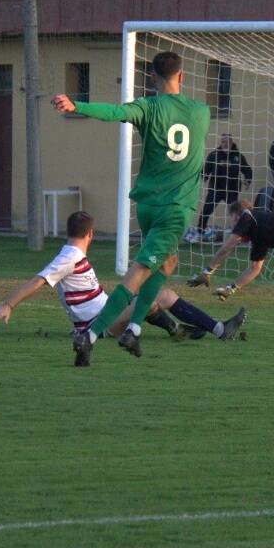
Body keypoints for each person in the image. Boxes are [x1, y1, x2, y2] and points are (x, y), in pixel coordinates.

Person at [51, 51, 210, 366]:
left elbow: (114, 112)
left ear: (152, 78)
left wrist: (76, 105)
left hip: (147, 206)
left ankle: (134, 328)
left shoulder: (147, 107)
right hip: (175, 209)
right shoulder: (201, 112)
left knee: (166, 264)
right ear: (182, 76)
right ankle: (92, 334)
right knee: (140, 271)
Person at [0, 211, 245, 363]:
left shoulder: (72, 253)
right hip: (97, 323)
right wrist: (8, 304)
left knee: (153, 294)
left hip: (103, 312)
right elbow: (37, 281)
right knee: (158, 295)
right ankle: (209, 330)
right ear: (91, 234)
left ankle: (190, 329)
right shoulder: (69, 257)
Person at [187, 134, 253, 243]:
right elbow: (206, 169)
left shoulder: (238, 156)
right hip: (216, 189)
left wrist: (247, 180)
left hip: (232, 190)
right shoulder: (214, 155)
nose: (225, 144)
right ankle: (200, 232)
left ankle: (240, 234)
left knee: (236, 213)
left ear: (231, 143)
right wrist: (204, 177)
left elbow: (247, 170)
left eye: (227, 141)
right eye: (222, 142)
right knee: (206, 210)